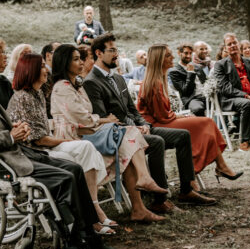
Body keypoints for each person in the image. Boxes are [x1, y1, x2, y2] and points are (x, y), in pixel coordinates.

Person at [0, 53, 118, 249]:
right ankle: (72, 245)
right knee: (63, 179)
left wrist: (17, 129)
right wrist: (10, 136)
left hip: (16, 153)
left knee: (74, 168)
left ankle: (92, 238)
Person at [12, 53, 158, 229]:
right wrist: (70, 137)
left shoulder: (38, 94)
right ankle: (95, 210)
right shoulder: (25, 97)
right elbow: (39, 140)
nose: (46, 69)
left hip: (53, 142)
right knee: (90, 146)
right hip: (33, 153)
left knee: (102, 144)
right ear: (31, 70)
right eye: (42, 66)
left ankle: (97, 208)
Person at [83, 34, 208, 206]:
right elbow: (105, 117)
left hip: (138, 128)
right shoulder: (91, 82)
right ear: (98, 53)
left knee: (183, 135)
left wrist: (143, 124)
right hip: (120, 135)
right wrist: (133, 127)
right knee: (156, 142)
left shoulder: (118, 78)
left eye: (116, 50)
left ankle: (186, 190)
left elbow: (132, 109)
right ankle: (160, 200)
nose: (116, 54)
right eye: (111, 50)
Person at [48, 45, 171, 219]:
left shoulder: (77, 85)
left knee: (128, 146)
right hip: (73, 138)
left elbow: (87, 116)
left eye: (80, 58)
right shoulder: (62, 87)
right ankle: (143, 182)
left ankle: (139, 208)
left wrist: (101, 120)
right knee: (128, 134)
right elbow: (82, 118)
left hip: (88, 132)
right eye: (76, 59)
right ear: (64, 63)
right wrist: (104, 119)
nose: (81, 62)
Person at [140, 44, 239, 185]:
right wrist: (178, 116)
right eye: (168, 55)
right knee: (206, 123)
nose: (173, 57)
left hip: (165, 119)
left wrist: (176, 115)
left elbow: (163, 112)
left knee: (206, 123)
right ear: (159, 60)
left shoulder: (160, 78)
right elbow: (160, 116)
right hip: (156, 125)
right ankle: (205, 170)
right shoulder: (153, 82)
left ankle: (220, 166)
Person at [212, 33, 250, 151]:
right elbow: (225, 88)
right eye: (229, 44)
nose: (233, 45)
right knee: (246, 104)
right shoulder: (220, 65)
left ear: (239, 44)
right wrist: (247, 96)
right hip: (229, 99)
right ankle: (245, 142)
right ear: (226, 48)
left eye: (235, 43)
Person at [169, 43, 207, 116]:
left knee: (223, 103)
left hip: (206, 96)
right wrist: (190, 73)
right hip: (192, 99)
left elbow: (206, 82)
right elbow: (186, 92)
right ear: (179, 53)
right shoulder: (174, 72)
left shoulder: (197, 67)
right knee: (198, 109)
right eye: (186, 53)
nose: (189, 56)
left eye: (190, 53)